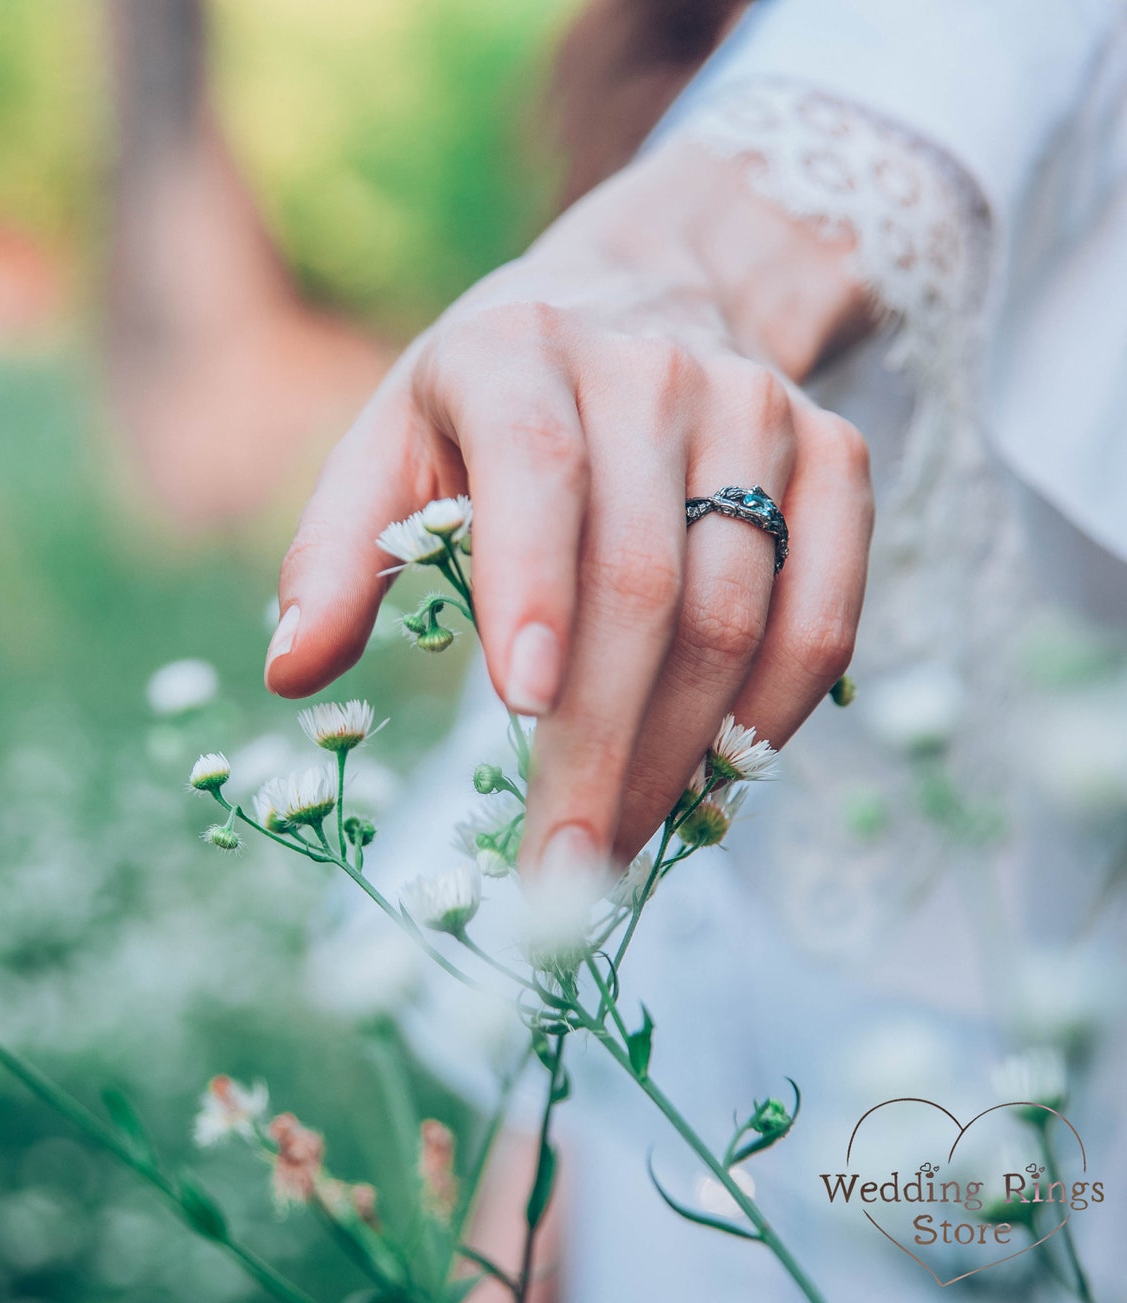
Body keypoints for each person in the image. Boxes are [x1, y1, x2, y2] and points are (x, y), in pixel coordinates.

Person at [273, 1, 1127, 1297]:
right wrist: (532, 1148)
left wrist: (659, 287)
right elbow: (580, 737)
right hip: (675, 1142)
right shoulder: (661, 63)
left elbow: (900, 106)